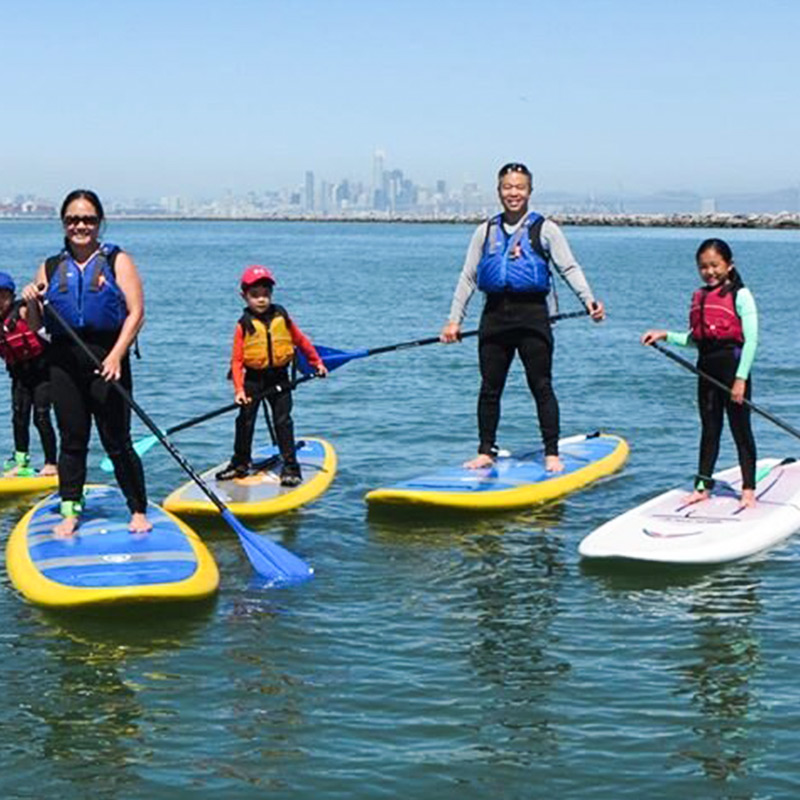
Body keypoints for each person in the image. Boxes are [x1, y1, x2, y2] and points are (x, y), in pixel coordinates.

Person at [440, 162, 605, 472]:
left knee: (541, 385)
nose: (513, 193)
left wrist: (589, 300)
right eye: (507, 187)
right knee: (490, 388)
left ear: (529, 191)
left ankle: (552, 452)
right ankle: (486, 450)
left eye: (519, 187)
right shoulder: (485, 231)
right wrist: (454, 320)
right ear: (498, 191)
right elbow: (468, 276)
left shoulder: (546, 229)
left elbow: (569, 268)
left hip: (533, 317)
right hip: (494, 316)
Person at [22, 189, 150, 537]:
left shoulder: (117, 261)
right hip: (63, 362)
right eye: (73, 219)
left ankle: (137, 508)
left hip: (107, 359)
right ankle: (70, 511)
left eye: (88, 219)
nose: (81, 226)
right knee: (72, 440)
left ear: (99, 222)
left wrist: (117, 355)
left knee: (117, 440)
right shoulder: (50, 266)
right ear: (64, 223)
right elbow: (35, 326)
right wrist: (30, 301)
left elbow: (136, 312)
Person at [642, 238, 758, 508]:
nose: (709, 272)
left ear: (729, 265)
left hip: (733, 371)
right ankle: (703, 487)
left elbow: (751, 341)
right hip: (706, 371)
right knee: (710, 429)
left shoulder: (741, 295)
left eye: (715, 265)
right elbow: (695, 339)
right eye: (704, 267)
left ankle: (748, 489)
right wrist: (664, 335)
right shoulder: (701, 296)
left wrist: (740, 379)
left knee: (740, 430)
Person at [216, 265, 328, 486]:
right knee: (245, 421)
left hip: (279, 377)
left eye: (266, 294)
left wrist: (317, 363)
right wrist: (239, 390)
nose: (261, 299)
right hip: (253, 379)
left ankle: (291, 467)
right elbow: (237, 361)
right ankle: (240, 463)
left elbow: (301, 341)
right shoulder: (243, 325)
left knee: (283, 421)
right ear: (244, 296)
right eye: (255, 295)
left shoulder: (282, 316)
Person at [0, 271, 57, 476]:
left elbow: (44, 327)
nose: (0, 302)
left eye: (3, 296)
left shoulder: (23, 311)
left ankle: (51, 464)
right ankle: (20, 462)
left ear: (11, 296)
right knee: (19, 416)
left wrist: (35, 301)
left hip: (43, 373)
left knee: (41, 416)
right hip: (19, 375)